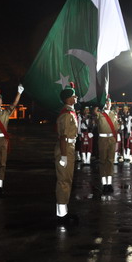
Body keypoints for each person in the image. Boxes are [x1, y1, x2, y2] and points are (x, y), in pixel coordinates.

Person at [55, 82, 79, 225]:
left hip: (69, 147)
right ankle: (62, 215)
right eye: (73, 96)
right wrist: (63, 155)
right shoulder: (66, 115)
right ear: (68, 99)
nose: (76, 97)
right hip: (65, 148)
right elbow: (63, 136)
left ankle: (63, 212)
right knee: (64, 181)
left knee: (67, 181)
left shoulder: (70, 112)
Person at [96, 95, 119, 193]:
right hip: (102, 139)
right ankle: (104, 183)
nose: (108, 104)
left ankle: (109, 183)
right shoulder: (99, 114)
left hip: (111, 139)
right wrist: (100, 103)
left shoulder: (114, 114)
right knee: (103, 161)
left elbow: (116, 127)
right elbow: (95, 110)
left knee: (110, 161)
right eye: (106, 102)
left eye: (109, 102)